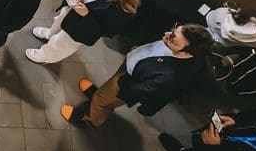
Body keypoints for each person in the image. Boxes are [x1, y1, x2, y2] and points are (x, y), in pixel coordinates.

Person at [60, 23, 214, 127]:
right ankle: (99, 95)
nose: (167, 34)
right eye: (174, 30)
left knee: (103, 100)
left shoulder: (171, 76)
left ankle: (91, 118)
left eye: (173, 38)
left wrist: (119, 83)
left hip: (126, 83)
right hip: (130, 67)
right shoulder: (178, 44)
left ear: (187, 53)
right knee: (105, 91)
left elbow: (141, 91)